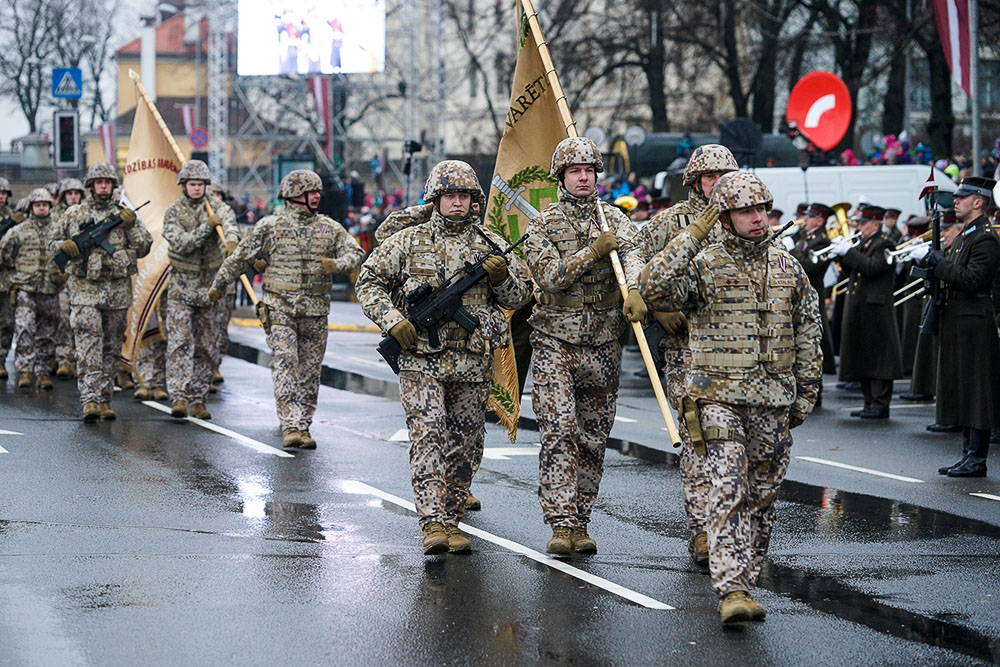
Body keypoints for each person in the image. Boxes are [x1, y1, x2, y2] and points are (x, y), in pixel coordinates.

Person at [639, 170, 822, 625]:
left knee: (762, 496)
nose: (758, 218)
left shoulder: (787, 268)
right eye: (745, 211)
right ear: (725, 217)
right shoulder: (703, 264)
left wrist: (805, 396)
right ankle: (732, 588)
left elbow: (808, 333)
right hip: (717, 397)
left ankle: (746, 579)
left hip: (773, 400)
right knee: (728, 485)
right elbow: (652, 286)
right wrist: (693, 234)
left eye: (762, 209)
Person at [356, 160, 531, 554]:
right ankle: (432, 522)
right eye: (450, 196)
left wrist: (502, 277)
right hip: (420, 358)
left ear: (475, 201)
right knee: (429, 433)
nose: (457, 203)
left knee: (467, 441)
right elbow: (369, 282)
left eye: (465, 196)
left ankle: (452, 519)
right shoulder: (408, 241)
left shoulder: (491, 245)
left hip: (471, 361)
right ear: (436, 199)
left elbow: (519, 299)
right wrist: (393, 320)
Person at [523, 137, 643, 555]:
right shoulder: (542, 224)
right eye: (576, 171)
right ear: (561, 176)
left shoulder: (614, 220)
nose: (584, 177)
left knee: (593, 436)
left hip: (605, 340)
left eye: (590, 170)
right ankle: (561, 522)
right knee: (559, 430)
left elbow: (636, 257)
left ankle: (581, 519)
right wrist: (593, 252)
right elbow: (551, 276)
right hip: (557, 340)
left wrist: (637, 288)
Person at [621, 143, 738, 566]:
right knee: (696, 441)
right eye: (710, 177)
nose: (717, 183)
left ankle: (730, 527)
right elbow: (635, 256)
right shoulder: (670, 222)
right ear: (693, 182)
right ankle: (702, 532)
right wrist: (654, 304)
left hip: (735, 349)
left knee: (736, 445)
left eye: (724, 175)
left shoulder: (742, 219)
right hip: (688, 351)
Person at [209, 169, 363, 448]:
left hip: (316, 311)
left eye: (318, 192)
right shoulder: (271, 226)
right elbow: (239, 257)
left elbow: (356, 254)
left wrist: (337, 265)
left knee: (310, 371)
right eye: (310, 192)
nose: (317, 196)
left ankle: (304, 426)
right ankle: (290, 425)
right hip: (280, 308)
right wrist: (218, 286)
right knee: (285, 364)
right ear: (293, 196)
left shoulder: (329, 227)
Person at [51, 162, 152, 422]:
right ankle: (90, 400)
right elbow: (52, 243)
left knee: (110, 347)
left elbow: (144, 248)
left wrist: (131, 227)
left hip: (116, 294)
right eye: (99, 182)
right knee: (87, 345)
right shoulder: (74, 214)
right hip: (84, 291)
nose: (103, 186)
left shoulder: (125, 214)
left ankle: (105, 398)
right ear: (91, 185)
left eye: (107, 182)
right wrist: (67, 246)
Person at [917, 177, 1000, 477]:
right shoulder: (967, 235)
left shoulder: (986, 238)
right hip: (959, 320)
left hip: (974, 322)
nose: (956, 201)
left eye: (963, 197)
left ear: (979, 202)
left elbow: (972, 280)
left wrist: (941, 264)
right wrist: (932, 269)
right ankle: (967, 453)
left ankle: (977, 458)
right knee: (964, 388)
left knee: (976, 389)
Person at [162, 160, 240, 420]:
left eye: (201, 184)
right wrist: (207, 227)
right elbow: (181, 243)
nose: (197, 189)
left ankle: (198, 397)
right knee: (180, 343)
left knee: (207, 344)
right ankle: (179, 396)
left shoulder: (218, 207)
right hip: (181, 288)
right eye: (192, 184)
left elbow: (230, 225)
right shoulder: (173, 212)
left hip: (209, 289)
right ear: (183, 186)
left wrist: (231, 242)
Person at [830, 205, 902, 418]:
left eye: (862, 223)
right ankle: (869, 402)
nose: (858, 227)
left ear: (875, 224)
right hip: (861, 308)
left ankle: (880, 404)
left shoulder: (884, 244)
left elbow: (871, 267)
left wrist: (849, 253)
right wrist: (841, 256)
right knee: (862, 356)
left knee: (878, 358)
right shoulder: (864, 243)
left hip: (876, 309)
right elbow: (853, 269)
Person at [0, 188, 62, 390]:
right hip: (26, 288)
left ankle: (43, 372)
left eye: (45, 205)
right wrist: (14, 276)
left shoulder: (58, 230)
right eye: (37, 205)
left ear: (50, 207)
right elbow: (4, 254)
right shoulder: (19, 230)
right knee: (24, 328)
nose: (41, 208)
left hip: (50, 289)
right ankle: (25, 370)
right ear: (31, 208)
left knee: (48, 332)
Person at [788, 203, 837, 379]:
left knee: (813, 341)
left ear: (819, 220)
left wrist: (790, 250)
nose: (804, 219)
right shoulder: (805, 236)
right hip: (800, 294)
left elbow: (808, 266)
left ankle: (816, 386)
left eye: (809, 217)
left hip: (812, 295)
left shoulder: (822, 241)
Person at [207, 182, 240, 390]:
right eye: (214, 194)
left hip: (226, 284)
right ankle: (204, 369)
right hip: (205, 283)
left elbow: (237, 237)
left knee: (221, 328)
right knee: (205, 328)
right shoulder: (203, 216)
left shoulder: (229, 216)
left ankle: (215, 364)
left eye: (220, 193)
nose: (217, 197)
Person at [52, 179, 85, 380]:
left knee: (81, 320)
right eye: (69, 193)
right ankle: (63, 358)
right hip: (62, 276)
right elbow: (50, 244)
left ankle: (77, 359)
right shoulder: (57, 216)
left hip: (82, 276)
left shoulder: (85, 213)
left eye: (76, 193)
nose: (73, 197)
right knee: (64, 318)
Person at [0, 177, 24, 381]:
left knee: (7, 323)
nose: (0, 196)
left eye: (3, 193)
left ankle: (0, 360)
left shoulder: (14, 218)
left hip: (6, 279)